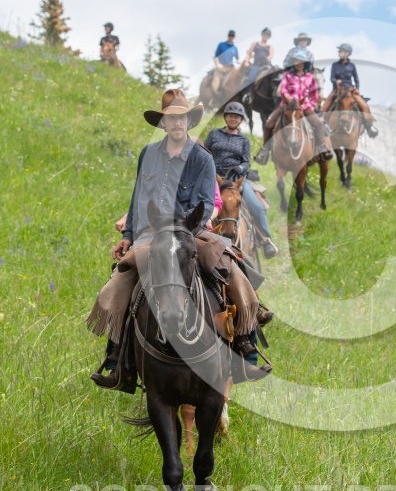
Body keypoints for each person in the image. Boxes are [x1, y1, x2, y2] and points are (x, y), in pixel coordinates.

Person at [87, 89, 271, 392]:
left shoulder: (202, 158)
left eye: (182, 118)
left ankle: (244, 348)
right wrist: (128, 235)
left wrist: (179, 226)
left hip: (190, 231)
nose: (177, 123)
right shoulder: (148, 154)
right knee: (121, 277)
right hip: (151, 233)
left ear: (189, 121)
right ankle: (118, 359)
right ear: (163, 123)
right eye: (171, 118)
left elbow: (205, 204)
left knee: (229, 264)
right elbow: (137, 198)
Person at [204, 101, 278, 258]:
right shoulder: (214, 134)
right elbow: (204, 153)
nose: (233, 119)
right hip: (214, 177)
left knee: (257, 206)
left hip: (236, 179)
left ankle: (266, 241)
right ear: (225, 117)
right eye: (231, 116)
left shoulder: (244, 140)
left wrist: (240, 168)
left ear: (241, 119)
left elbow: (246, 161)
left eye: (237, 117)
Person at [255, 49, 332, 165]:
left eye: (301, 61)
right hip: (287, 105)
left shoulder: (310, 77)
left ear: (304, 63)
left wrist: (310, 104)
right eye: (296, 61)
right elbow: (283, 90)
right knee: (269, 124)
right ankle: (264, 151)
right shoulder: (288, 75)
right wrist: (288, 99)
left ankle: (322, 147)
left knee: (318, 123)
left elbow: (314, 94)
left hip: (304, 106)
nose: (298, 63)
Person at [322, 43, 378, 137]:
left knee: (363, 105)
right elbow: (332, 78)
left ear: (347, 53)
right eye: (339, 51)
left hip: (350, 89)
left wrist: (357, 89)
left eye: (341, 51)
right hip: (337, 89)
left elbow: (356, 79)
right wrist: (336, 81)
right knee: (326, 104)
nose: (339, 52)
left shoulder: (352, 66)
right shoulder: (335, 65)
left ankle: (369, 127)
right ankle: (321, 123)